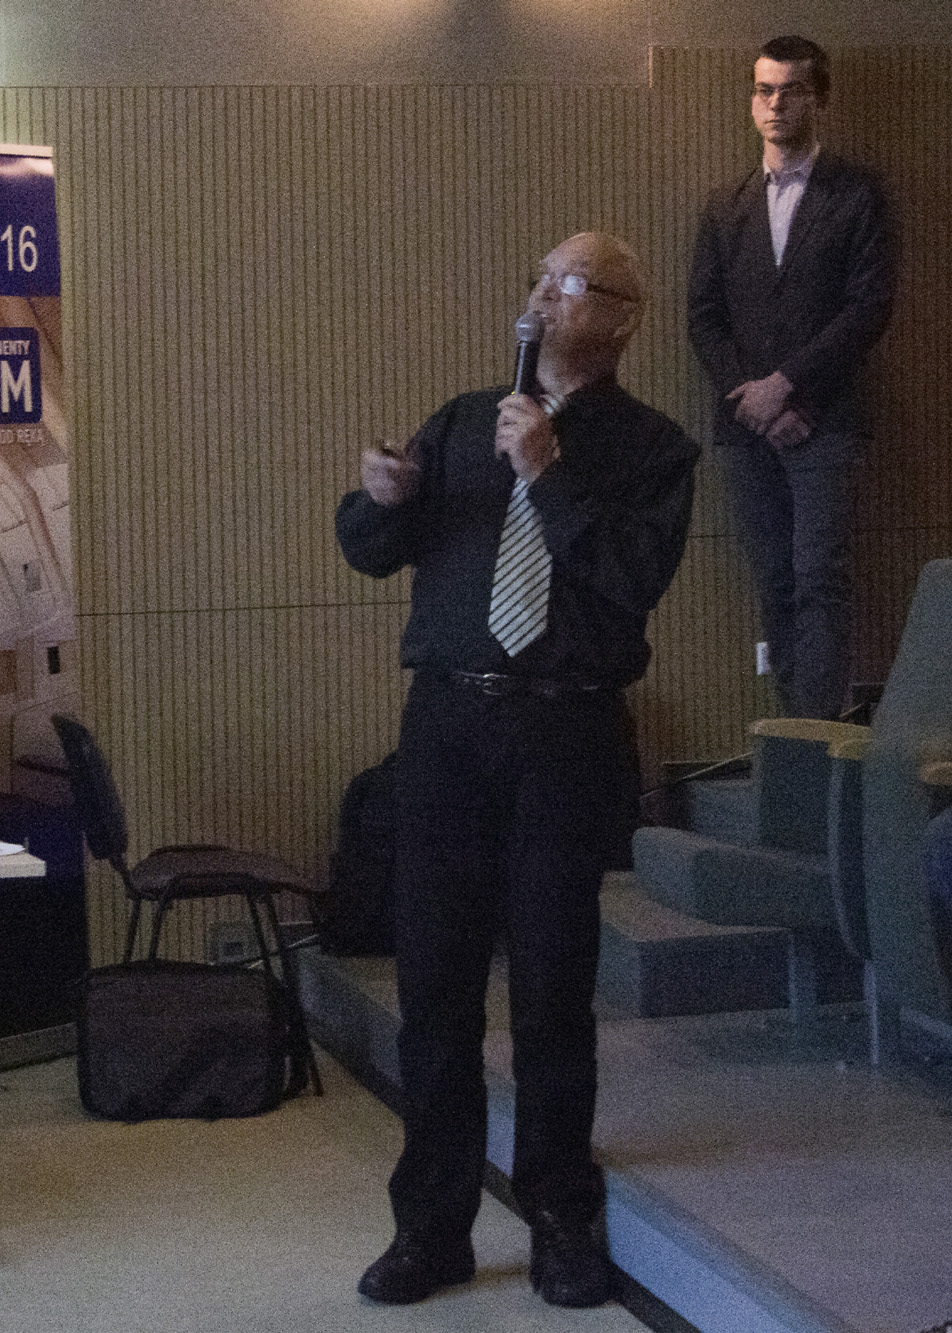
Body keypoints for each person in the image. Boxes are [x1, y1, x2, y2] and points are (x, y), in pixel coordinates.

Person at [335, 232, 698, 1308]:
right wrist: (378, 496)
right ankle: (430, 1226)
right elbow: (369, 550)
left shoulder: (653, 450)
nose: (540, 291)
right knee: (434, 986)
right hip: (448, 726)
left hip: (564, 732)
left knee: (550, 987)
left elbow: (630, 578)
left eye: (567, 281)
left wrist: (547, 473)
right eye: (539, 275)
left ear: (621, 316)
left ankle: (559, 1215)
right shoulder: (463, 421)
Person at [687, 35, 897, 720]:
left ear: (819, 98)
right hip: (746, 429)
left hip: (826, 422)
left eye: (792, 90)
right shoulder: (724, 204)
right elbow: (704, 316)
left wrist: (788, 387)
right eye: (764, 90)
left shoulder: (859, 194)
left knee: (819, 579)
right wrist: (755, 400)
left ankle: (820, 737)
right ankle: (790, 738)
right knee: (775, 582)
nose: (775, 103)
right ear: (752, 101)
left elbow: (868, 307)